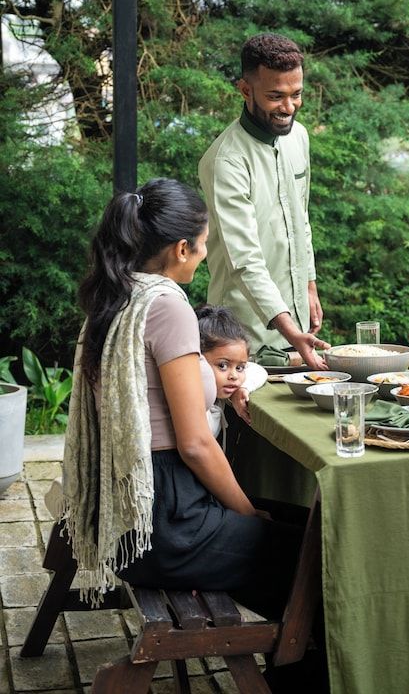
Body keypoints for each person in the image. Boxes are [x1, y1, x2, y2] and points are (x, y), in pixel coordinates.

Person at [59, 178, 304, 623]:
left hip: (130, 508)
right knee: (313, 550)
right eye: (204, 243)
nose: (206, 253)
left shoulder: (116, 294)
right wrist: (249, 514)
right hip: (165, 521)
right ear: (181, 249)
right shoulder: (168, 305)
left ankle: (291, 657)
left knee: (300, 524)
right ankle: (301, 664)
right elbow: (194, 444)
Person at [198, 33, 330, 369]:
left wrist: (310, 287)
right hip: (242, 338)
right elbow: (244, 260)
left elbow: (301, 220)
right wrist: (290, 331)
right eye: (276, 96)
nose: (288, 107)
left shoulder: (298, 137)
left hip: (297, 330)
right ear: (245, 90)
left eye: (296, 95)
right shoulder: (225, 160)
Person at [196, 303, 251, 443]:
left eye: (240, 368)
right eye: (223, 365)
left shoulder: (218, 389)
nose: (234, 376)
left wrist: (243, 388)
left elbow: (258, 370)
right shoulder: (193, 407)